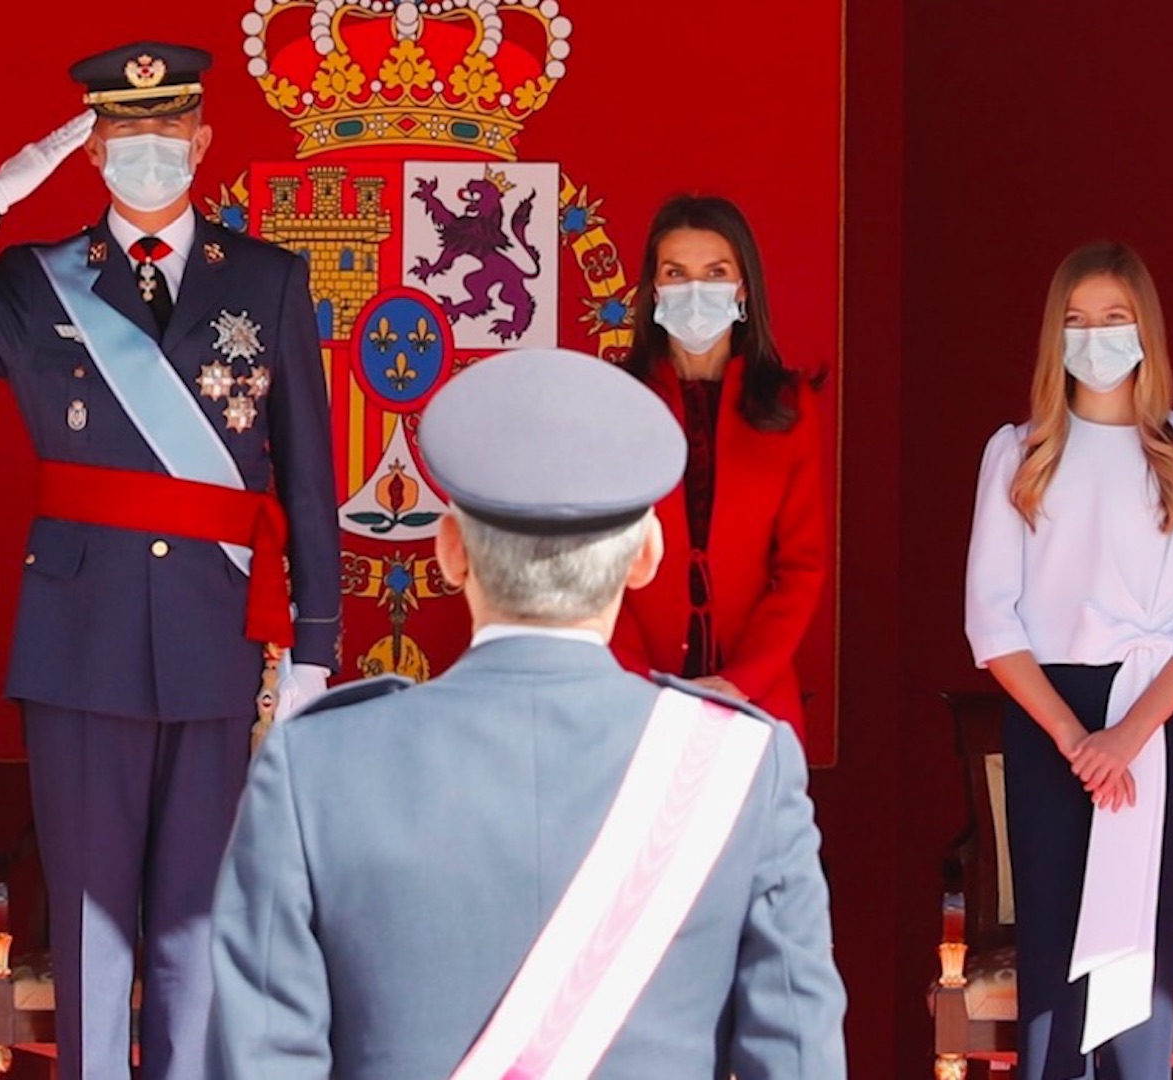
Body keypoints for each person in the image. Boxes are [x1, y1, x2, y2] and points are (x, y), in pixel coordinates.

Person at [0, 41, 340, 1079]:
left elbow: (307, 475)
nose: (148, 154)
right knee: (90, 922)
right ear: (91, 153)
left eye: (167, 133)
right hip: (79, 641)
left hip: (214, 636)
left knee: (192, 927)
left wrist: (313, 649)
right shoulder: (40, 284)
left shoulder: (265, 279)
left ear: (202, 142)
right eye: (124, 136)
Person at [209, 348, 848, 1079]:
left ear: (450, 552)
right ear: (646, 557)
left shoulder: (314, 769)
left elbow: (258, 1061)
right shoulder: (741, 772)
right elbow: (799, 1060)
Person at [965, 242, 1173, 1078]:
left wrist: (1124, 738)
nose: (1095, 338)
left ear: (1145, 331)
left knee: (1135, 954)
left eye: (1113, 320)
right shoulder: (1017, 454)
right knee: (1053, 948)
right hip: (1047, 717)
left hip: (1150, 718)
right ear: (1055, 338)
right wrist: (1070, 735)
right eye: (1076, 322)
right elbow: (990, 619)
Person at [611, 195, 827, 741]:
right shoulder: (614, 400)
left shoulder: (789, 404)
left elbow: (801, 568)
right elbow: (591, 564)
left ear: (742, 288)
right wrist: (642, 682)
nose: (694, 290)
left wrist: (740, 681)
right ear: (653, 291)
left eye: (715, 273)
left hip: (754, 700)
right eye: (675, 273)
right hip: (633, 699)